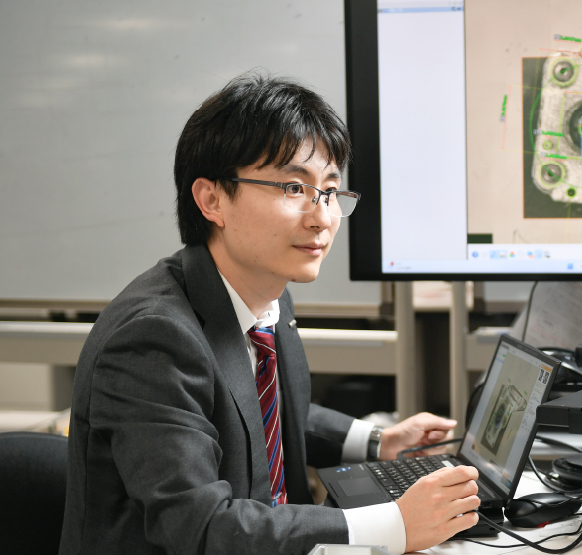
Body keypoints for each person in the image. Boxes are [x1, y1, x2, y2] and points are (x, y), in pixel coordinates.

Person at [59, 73, 480, 555]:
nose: (322, 217)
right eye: (294, 188)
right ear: (211, 200)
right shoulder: (153, 339)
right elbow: (200, 527)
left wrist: (377, 441)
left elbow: (257, 411)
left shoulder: (263, 290)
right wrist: (394, 525)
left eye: (330, 191)